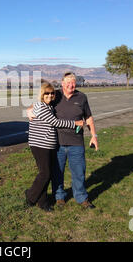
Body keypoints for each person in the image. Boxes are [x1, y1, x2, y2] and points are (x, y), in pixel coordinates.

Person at [28, 72, 98, 210]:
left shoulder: (82, 97)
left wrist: (94, 136)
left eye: (73, 82)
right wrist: (28, 111)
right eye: (67, 82)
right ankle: (59, 197)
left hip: (76, 142)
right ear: (62, 83)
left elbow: (88, 118)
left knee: (79, 171)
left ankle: (81, 198)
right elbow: (38, 104)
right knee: (56, 173)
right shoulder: (55, 95)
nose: (70, 85)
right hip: (57, 143)